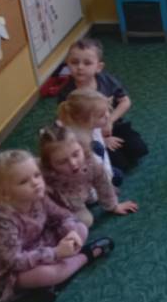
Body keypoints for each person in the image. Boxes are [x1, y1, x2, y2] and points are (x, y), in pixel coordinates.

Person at [0, 149, 113, 302]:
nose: (36, 183)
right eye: (24, 181)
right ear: (6, 194)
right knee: (46, 274)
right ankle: (84, 256)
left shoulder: (38, 196)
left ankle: (58, 277)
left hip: (39, 243)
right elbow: (15, 261)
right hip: (11, 268)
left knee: (81, 228)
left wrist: (71, 232)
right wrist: (56, 253)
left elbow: (63, 216)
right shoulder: (1, 221)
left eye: (37, 175)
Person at [58, 38, 147, 172]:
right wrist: (101, 140)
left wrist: (110, 121)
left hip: (113, 125)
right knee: (120, 164)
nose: (80, 67)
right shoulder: (67, 92)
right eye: (74, 62)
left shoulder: (106, 80)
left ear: (98, 67)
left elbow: (125, 101)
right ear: (67, 64)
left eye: (87, 63)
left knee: (139, 149)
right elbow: (69, 124)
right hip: (89, 135)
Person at [39, 125, 138, 228]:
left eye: (75, 154)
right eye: (62, 162)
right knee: (85, 221)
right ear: (49, 164)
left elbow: (102, 184)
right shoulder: (43, 172)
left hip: (81, 195)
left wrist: (113, 206)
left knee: (107, 189)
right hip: (58, 203)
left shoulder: (91, 163)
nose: (73, 163)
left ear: (82, 147)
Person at [57, 88, 120, 186]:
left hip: (100, 169)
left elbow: (103, 156)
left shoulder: (92, 127)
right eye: (101, 115)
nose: (108, 116)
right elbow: (89, 174)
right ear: (83, 120)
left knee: (118, 175)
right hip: (90, 182)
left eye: (107, 110)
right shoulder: (79, 143)